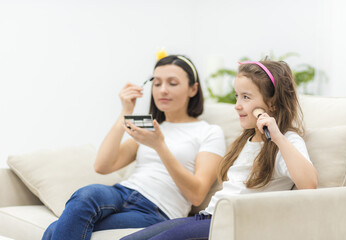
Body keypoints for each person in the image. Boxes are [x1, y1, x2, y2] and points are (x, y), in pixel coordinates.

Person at [121, 60, 318, 240]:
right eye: (237, 96)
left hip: (233, 224)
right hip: (208, 217)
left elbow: (309, 183)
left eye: (246, 97)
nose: (237, 105)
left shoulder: (286, 140)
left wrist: (277, 137)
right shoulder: (246, 139)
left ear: (273, 104)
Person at [42, 54, 226, 240]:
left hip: (157, 211)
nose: (162, 90)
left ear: (193, 89)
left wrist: (160, 147)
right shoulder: (152, 127)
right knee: (85, 195)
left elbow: (196, 195)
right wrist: (125, 111)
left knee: (53, 230)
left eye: (172, 83)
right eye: (156, 83)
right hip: (123, 192)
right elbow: (102, 165)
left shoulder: (208, 132)